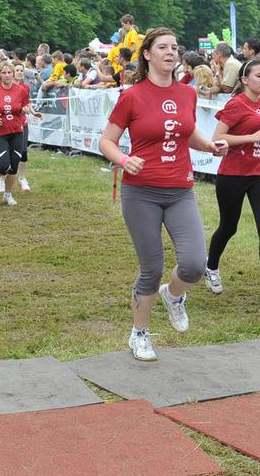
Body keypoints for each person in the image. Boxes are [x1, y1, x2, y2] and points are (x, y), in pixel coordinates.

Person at [98, 28, 228, 362]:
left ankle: (173, 295)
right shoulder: (132, 96)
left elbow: (187, 132)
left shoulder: (187, 93)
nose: (171, 52)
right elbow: (106, 141)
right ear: (147, 54)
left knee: (194, 264)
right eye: (163, 47)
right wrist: (124, 160)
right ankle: (139, 333)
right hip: (141, 192)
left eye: (174, 47)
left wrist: (209, 146)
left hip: (180, 190)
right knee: (151, 268)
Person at [206, 60, 260, 305]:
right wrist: (252, 137)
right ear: (245, 80)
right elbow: (218, 138)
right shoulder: (236, 104)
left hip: (259, 173)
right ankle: (211, 267)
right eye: (259, 75)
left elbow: (258, 135)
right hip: (233, 174)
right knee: (228, 226)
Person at [0, 60, 42, 206]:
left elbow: (25, 105)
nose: (7, 75)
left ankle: (8, 195)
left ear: (13, 74)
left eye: (9, 72)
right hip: (0, 133)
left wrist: (28, 110)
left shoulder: (21, 90)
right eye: (4, 73)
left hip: (17, 131)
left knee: (13, 167)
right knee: (3, 166)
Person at [14, 62, 33, 192]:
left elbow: (27, 103)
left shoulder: (25, 87)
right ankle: (3, 178)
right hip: (9, 124)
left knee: (23, 152)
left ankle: (22, 178)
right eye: (17, 70)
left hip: (23, 123)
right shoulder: (6, 86)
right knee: (10, 153)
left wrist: (33, 112)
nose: (20, 72)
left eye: (22, 70)